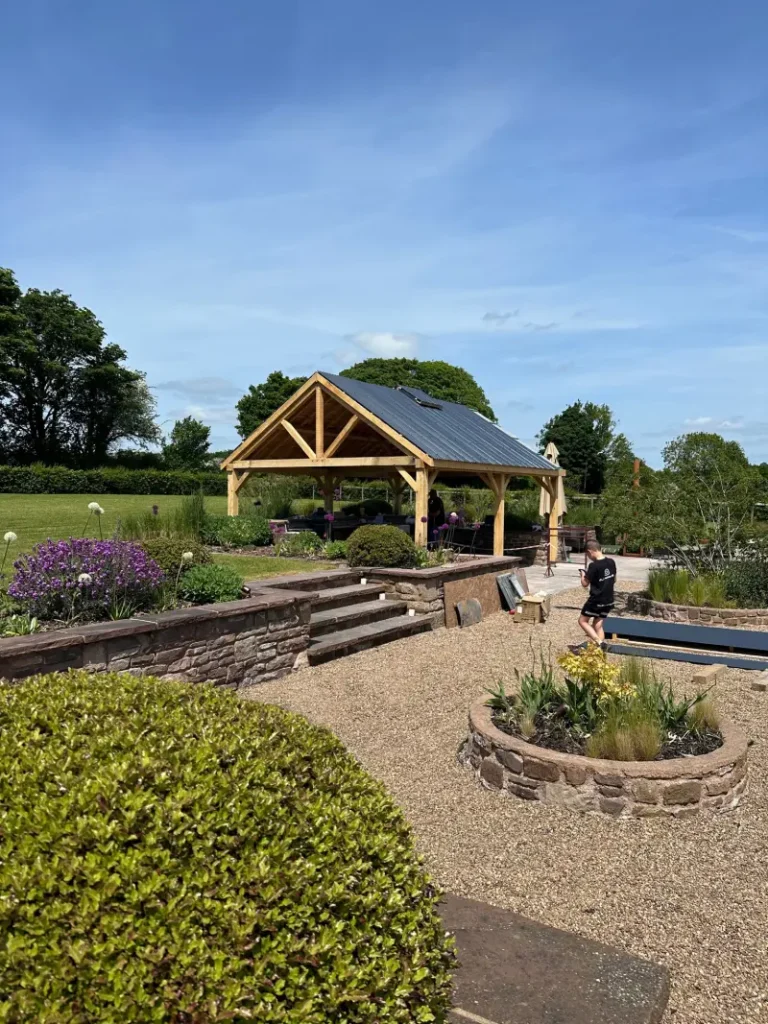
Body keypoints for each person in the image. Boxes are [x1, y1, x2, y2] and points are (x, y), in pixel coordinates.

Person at [578, 540, 617, 646]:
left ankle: (599, 642)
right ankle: (599, 654)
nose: (589, 556)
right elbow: (614, 579)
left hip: (596, 600)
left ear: (590, 551)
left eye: (587, 554)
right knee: (597, 625)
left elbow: (585, 583)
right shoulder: (611, 562)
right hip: (609, 600)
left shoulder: (593, 566)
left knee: (582, 621)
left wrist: (582, 575)